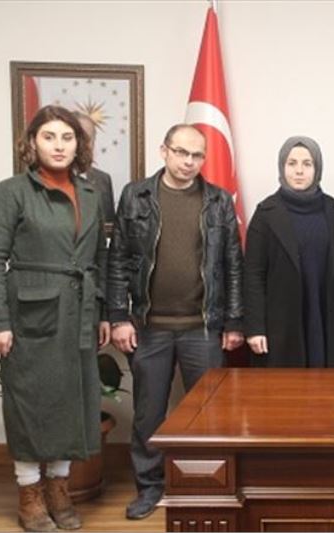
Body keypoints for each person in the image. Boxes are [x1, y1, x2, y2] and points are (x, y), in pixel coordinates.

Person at [0, 105, 110, 532]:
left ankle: (59, 488)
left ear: (78, 145)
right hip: (30, 316)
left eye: (67, 138)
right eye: (49, 137)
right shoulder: (12, 191)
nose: (59, 145)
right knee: (30, 403)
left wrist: (102, 312)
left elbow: (98, 256)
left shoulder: (90, 192)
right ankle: (29, 494)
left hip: (79, 313)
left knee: (71, 402)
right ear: (32, 143)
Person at [106, 124, 245, 519]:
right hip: (149, 326)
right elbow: (118, 260)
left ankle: (205, 487)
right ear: (163, 150)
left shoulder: (218, 200)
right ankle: (150, 488)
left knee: (209, 415)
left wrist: (234, 321)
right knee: (149, 413)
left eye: (197, 155)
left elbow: (233, 265)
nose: (188, 162)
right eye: (181, 152)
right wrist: (118, 317)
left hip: (204, 327)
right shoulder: (136, 196)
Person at [243, 136, 334, 366]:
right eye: (292, 163)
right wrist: (255, 327)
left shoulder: (333, 211)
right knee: (290, 385)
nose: (299, 171)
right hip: (282, 323)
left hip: (328, 318)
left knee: (331, 383)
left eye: (307, 164)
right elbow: (253, 276)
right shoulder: (266, 214)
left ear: (317, 169)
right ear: (282, 166)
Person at [74, 112, 116, 227]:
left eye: (89, 139)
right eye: (80, 138)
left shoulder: (103, 180)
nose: (84, 145)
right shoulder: (49, 178)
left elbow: (108, 227)